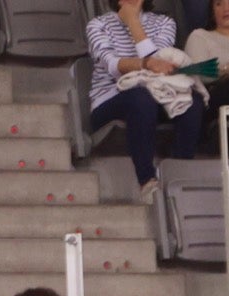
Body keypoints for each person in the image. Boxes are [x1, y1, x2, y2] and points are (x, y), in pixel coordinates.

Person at [86, 0, 203, 202]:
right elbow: (113, 65)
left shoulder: (165, 23)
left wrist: (134, 23)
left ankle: (179, 175)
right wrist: (133, 23)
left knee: (194, 101)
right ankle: (147, 182)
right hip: (109, 98)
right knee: (140, 98)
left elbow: (159, 63)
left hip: (156, 94)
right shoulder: (97, 24)